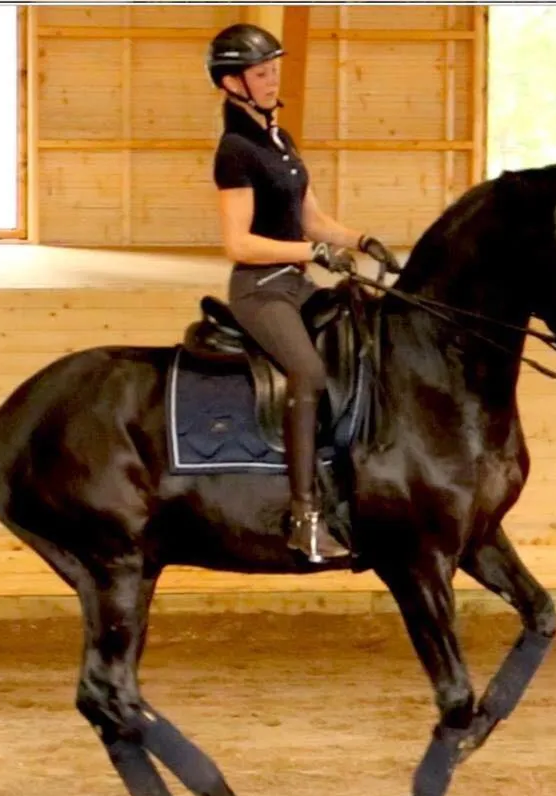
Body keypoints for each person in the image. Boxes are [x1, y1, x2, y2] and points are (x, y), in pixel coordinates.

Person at [207, 22, 401, 563]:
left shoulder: (279, 141)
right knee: (309, 372)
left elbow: (311, 219)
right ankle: (304, 517)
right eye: (261, 73)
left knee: (362, 339)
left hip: (295, 281)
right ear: (231, 83)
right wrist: (308, 254)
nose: (272, 80)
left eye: (273, 71)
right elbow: (238, 244)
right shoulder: (235, 151)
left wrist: (362, 240)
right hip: (260, 290)